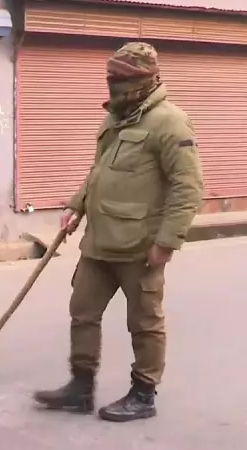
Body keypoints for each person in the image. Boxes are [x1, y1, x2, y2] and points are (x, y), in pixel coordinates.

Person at [33, 42, 204, 423]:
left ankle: (143, 395)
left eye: (122, 78)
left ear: (146, 79)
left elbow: (188, 188)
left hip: (140, 247)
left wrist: (167, 242)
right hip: (98, 241)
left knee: (144, 323)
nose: (113, 84)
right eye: (111, 76)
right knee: (82, 313)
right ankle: (80, 388)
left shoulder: (170, 122)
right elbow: (99, 172)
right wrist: (75, 205)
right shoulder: (116, 117)